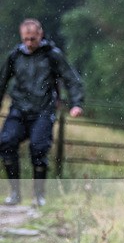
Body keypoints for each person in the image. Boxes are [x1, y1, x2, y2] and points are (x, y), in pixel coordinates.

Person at [0, 18, 84, 207]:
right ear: (21, 37)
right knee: (6, 142)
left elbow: (71, 78)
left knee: (38, 149)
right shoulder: (15, 56)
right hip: (19, 109)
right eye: (26, 39)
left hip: (43, 110)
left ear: (40, 35)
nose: (29, 43)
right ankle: (15, 193)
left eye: (33, 39)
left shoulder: (52, 56)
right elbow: (2, 82)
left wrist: (76, 103)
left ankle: (39, 196)